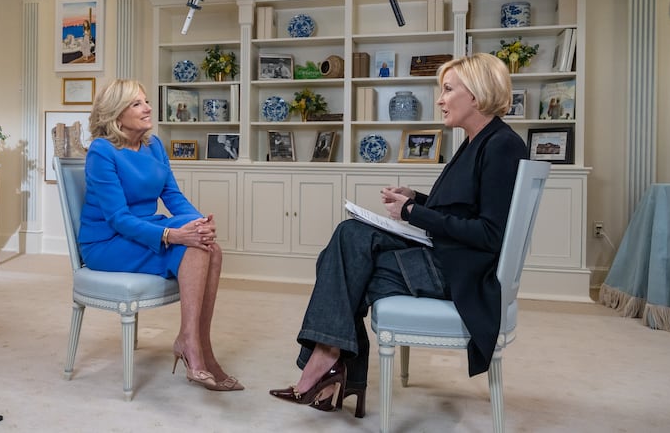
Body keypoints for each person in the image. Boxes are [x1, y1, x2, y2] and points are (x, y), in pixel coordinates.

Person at [269, 53, 527, 418]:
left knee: (345, 262)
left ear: (477, 94)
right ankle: (333, 365)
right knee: (349, 239)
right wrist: (416, 200)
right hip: (447, 256)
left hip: (461, 274)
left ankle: (329, 362)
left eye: (448, 89)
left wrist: (414, 214)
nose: (439, 99)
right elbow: (462, 209)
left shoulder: (502, 145)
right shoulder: (477, 140)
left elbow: (490, 234)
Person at [78, 79, 243, 392]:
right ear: (116, 114)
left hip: (147, 227)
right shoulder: (102, 152)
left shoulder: (154, 146)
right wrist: (173, 235)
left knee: (209, 246)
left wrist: (198, 224)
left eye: (146, 101)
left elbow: (172, 195)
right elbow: (118, 218)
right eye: (137, 103)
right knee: (195, 248)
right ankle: (194, 348)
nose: (148, 107)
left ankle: (195, 343)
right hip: (108, 241)